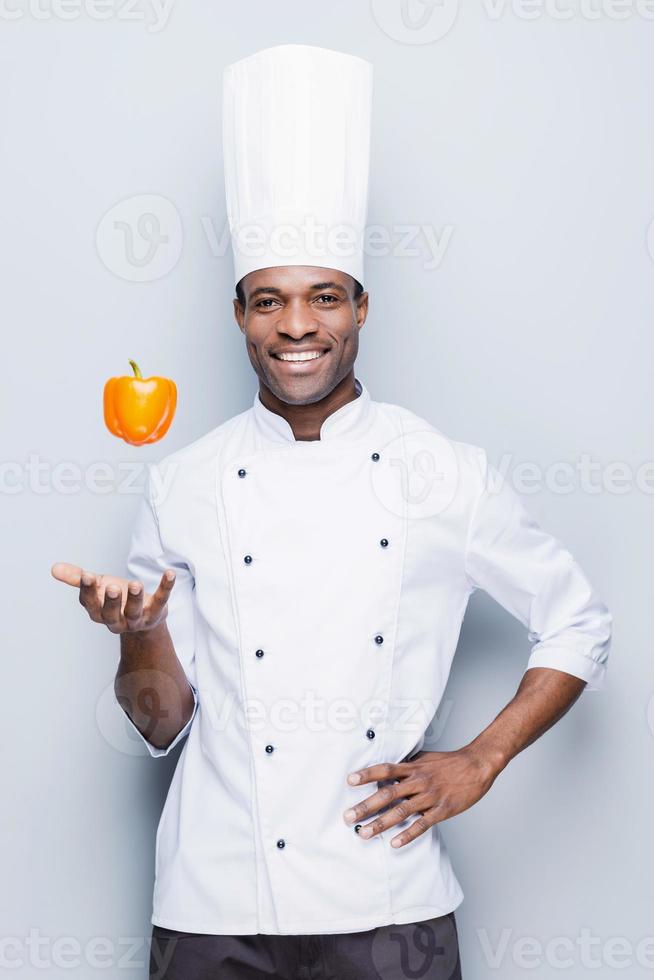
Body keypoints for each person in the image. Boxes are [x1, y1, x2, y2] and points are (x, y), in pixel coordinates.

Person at [51, 44, 612, 980]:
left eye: (324, 298)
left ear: (361, 306)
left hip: (389, 907)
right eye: (270, 301)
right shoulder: (183, 482)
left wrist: (479, 760)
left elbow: (579, 623)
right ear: (239, 314)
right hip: (210, 903)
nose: (298, 327)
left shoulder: (444, 472)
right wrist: (138, 636)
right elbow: (159, 725)